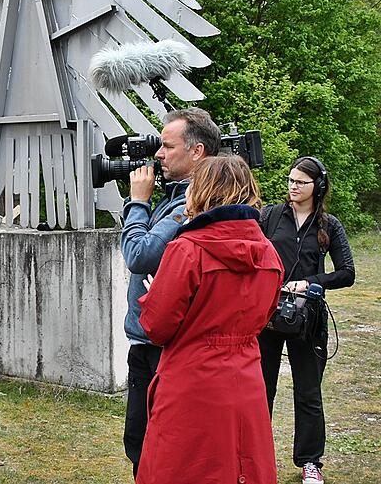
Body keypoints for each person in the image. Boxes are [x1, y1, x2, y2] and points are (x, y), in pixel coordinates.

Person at [136, 155, 284, 484]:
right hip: (246, 380)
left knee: (185, 468)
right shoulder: (269, 253)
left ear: (201, 192)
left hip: (192, 382)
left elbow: (156, 328)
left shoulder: (187, 250)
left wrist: (154, 293)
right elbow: (262, 316)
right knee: (240, 465)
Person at [120, 106, 220, 476]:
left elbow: (140, 254)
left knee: (152, 443)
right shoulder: (176, 196)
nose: (158, 154)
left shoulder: (191, 201)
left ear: (197, 152)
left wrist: (139, 202)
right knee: (140, 440)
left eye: (167, 146)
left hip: (164, 344)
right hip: (149, 339)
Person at [259, 156, 355, 484]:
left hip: (308, 319)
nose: (293, 186)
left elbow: (347, 272)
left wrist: (312, 282)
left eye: (301, 182)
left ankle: (310, 462)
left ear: (319, 186)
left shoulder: (329, 225)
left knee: (308, 392)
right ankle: (255, 457)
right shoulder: (270, 216)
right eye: (290, 180)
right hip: (267, 316)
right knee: (260, 389)